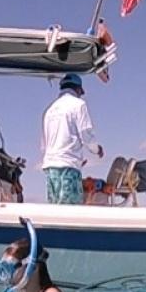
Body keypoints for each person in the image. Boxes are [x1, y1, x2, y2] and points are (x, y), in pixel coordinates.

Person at [41, 73, 103, 205]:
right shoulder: (78, 104)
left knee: (55, 212)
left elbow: (43, 145)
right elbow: (86, 135)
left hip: (50, 168)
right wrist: (97, 150)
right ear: (78, 89)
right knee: (70, 210)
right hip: (68, 167)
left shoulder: (49, 110)